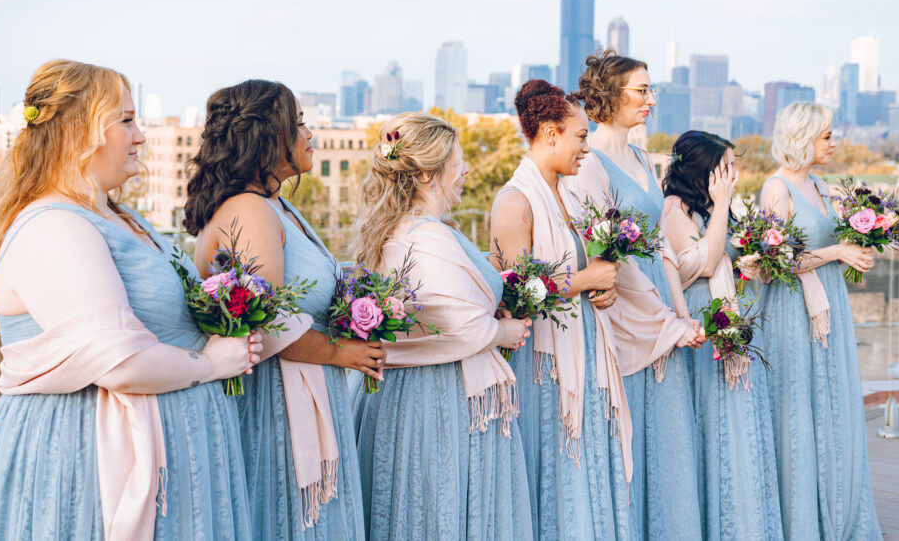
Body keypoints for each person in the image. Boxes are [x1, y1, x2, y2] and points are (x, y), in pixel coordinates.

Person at [0, 59, 259, 540]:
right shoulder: (54, 227)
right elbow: (118, 362)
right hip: (87, 461)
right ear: (80, 132)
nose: (140, 136)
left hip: (167, 456)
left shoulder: (123, 217)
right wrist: (210, 363)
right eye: (126, 120)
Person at [185, 80, 382, 539]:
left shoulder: (277, 205)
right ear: (266, 137)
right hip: (276, 410)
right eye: (299, 124)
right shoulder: (250, 209)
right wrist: (342, 352)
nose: (310, 134)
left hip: (304, 394)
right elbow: (268, 321)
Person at [349, 112, 533, 540]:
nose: (465, 171)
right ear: (427, 174)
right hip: (438, 398)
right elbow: (456, 323)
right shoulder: (426, 236)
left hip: (407, 393)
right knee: (438, 505)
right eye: (457, 162)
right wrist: (501, 333)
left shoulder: (405, 229)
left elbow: (437, 308)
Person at [489, 80, 639, 540]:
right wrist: (588, 280)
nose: (586, 148)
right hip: (545, 367)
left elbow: (584, 271)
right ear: (551, 134)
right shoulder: (515, 201)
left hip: (587, 351)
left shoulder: (570, 197)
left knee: (589, 462)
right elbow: (517, 291)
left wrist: (604, 287)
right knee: (557, 465)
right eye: (581, 136)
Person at [572, 51, 702, 540]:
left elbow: (662, 245)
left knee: (667, 435)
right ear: (611, 95)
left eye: (652, 90)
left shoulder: (646, 159)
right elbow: (602, 256)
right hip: (625, 311)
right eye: (642, 90)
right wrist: (662, 319)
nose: (651, 99)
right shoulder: (590, 164)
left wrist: (681, 315)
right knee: (630, 434)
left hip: (662, 305)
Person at [759, 102, 881, 540]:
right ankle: (802, 520)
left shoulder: (819, 183)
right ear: (802, 138)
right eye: (826, 135)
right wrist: (837, 252)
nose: (833, 143)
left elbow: (830, 244)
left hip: (832, 303)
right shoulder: (776, 188)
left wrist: (857, 248)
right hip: (794, 311)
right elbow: (774, 262)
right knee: (799, 406)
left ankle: (837, 507)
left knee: (832, 403)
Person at [660, 130, 782, 541]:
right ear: (705, 172)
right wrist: (724, 204)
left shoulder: (713, 208)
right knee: (708, 424)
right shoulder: (674, 209)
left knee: (735, 423)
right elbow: (708, 263)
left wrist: (748, 260)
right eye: (726, 167)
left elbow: (725, 259)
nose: (733, 175)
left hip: (727, 317)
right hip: (699, 324)